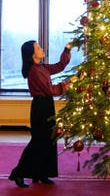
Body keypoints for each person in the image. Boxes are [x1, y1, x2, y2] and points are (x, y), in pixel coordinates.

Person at [9, 40, 71, 188]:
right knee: (38, 142)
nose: (42, 49)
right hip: (40, 108)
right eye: (38, 48)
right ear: (32, 54)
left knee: (49, 141)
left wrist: (67, 50)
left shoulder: (41, 66)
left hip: (47, 105)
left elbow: (59, 66)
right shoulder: (34, 71)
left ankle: (42, 174)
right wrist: (68, 84)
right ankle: (18, 173)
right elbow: (51, 90)